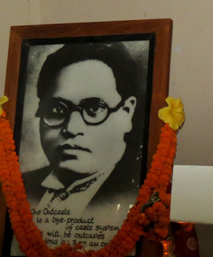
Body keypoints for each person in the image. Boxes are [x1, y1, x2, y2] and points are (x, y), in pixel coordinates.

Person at [22, 41, 144, 217]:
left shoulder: (140, 190)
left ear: (126, 112)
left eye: (94, 109)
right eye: (57, 110)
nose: (71, 128)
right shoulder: (20, 187)